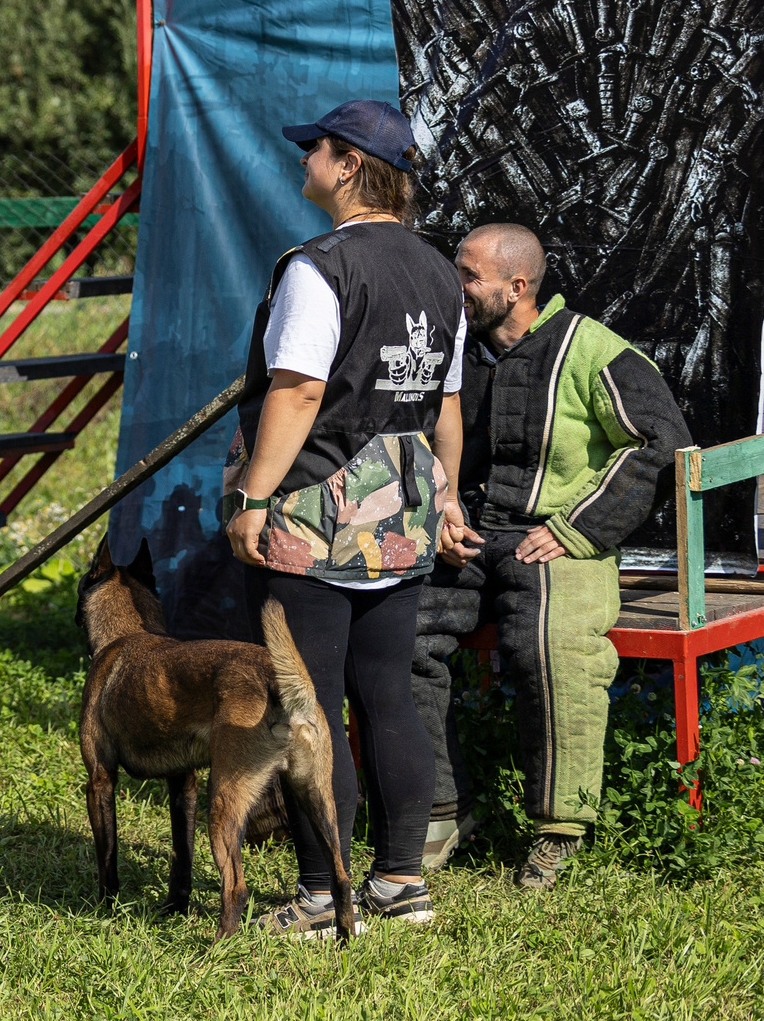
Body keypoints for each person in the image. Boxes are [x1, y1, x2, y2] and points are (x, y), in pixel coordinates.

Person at [223, 98, 463, 935]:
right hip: (404, 506)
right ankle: (401, 881)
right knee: (387, 694)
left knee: (312, 706)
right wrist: (449, 497)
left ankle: (324, 895)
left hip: (318, 510)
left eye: (314, 151)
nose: (303, 164)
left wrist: (254, 498)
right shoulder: (440, 271)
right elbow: (448, 409)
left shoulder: (317, 267)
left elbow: (300, 390)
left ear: (350, 163)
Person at [411, 223, 683, 890]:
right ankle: (444, 809)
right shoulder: (457, 353)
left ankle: (560, 829)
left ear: (517, 286)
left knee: (554, 644)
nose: (458, 286)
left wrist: (579, 525)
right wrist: (438, 509)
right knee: (400, 634)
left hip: (557, 536)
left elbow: (661, 440)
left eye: (469, 275)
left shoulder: (591, 349)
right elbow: (418, 437)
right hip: (471, 533)